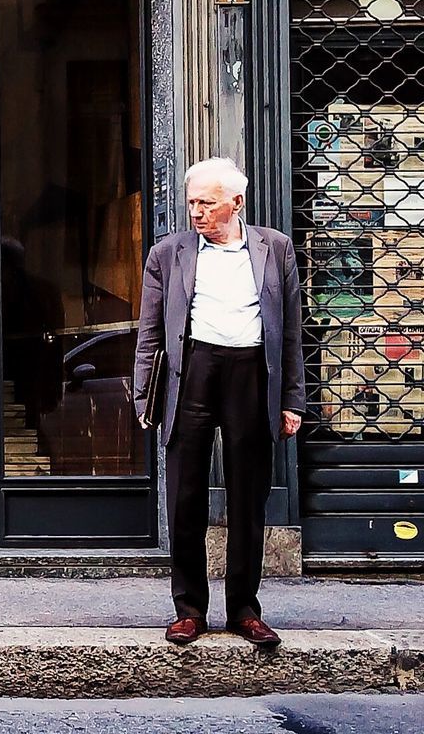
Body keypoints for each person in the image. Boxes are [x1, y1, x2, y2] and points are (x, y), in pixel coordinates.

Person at [133, 157, 304, 649]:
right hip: (193, 373)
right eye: (191, 202)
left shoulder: (276, 248)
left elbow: (290, 332)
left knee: (248, 499)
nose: (197, 212)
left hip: (252, 373)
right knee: (185, 495)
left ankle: (245, 610)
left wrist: (291, 399)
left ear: (237, 203)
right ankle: (189, 609)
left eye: (207, 203)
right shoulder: (168, 254)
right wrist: (146, 395)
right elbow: (149, 334)